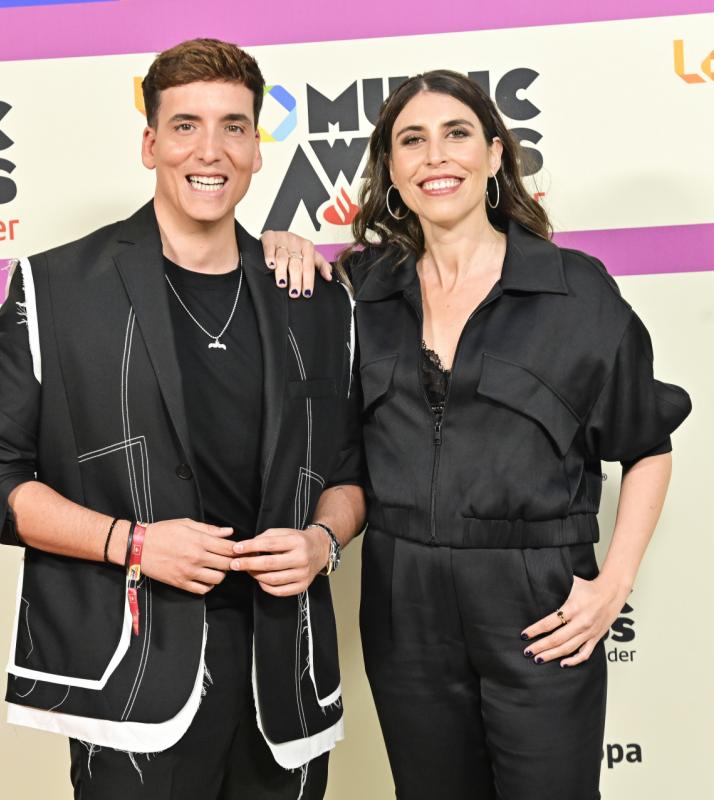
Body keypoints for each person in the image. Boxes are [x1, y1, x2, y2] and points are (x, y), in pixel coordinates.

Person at [0, 38, 365, 800]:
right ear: (150, 144)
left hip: (285, 675)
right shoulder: (57, 287)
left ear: (257, 148)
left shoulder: (315, 297)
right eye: (186, 126)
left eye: (235, 126)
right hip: (132, 674)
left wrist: (322, 541)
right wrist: (133, 544)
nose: (211, 150)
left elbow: (351, 470)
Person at [278, 70, 691, 798]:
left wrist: (613, 585)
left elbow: (647, 445)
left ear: (496, 156)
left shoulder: (575, 289)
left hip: (537, 597)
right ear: (392, 171)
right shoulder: (361, 290)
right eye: (413, 141)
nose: (436, 157)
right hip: (403, 600)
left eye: (457, 134)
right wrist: (284, 243)